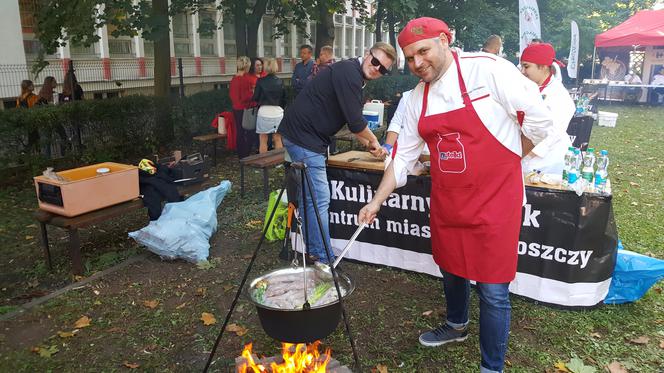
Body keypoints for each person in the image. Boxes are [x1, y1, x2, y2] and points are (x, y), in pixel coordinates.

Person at [358, 17, 554, 373]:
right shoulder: (418, 97)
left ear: (445, 41)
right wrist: (376, 201)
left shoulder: (489, 70)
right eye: (410, 57)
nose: (417, 63)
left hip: (496, 200)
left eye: (423, 50)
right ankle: (456, 324)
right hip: (450, 201)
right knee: (450, 268)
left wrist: (511, 158)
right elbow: (402, 157)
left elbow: (540, 121)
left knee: (493, 290)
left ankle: (491, 368)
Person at [278, 41, 397, 264]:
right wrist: (374, 142)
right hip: (304, 138)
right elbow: (355, 122)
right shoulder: (349, 73)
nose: (377, 69)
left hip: (303, 136)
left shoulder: (352, 74)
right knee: (320, 199)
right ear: (366, 54)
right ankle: (324, 258)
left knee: (310, 198)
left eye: (383, 69)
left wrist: (368, 144)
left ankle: (314, 249)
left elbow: (350, 118)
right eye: (375, 62)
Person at [519, 43, 575, 175]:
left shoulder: (559, 94)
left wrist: (526, 154)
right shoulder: (527, 87)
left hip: (549, 161)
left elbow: (555, 131)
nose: (522, 71)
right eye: (522, 66)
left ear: (543, 67)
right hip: (525, 154)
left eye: (526, 66)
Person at [252, 58, 286, 153]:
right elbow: (284, 99)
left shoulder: (260, 81)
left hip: (264, 112)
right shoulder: (280, 81)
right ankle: (279, 164)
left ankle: (263, 163)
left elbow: (255, 97)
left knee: (263, 139)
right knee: (278, 138)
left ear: (265, 67)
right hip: (278, 113)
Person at [229, 56, 257, 158]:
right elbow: (247, 96)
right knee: (249, 131)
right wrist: (253, 94)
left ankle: (241, 154)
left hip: (236, 108)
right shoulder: (246, 79)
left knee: (239, 131)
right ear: (247, 66)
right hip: (246, 108)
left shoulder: (234, 78)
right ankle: (246, 153)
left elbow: (232, 95)